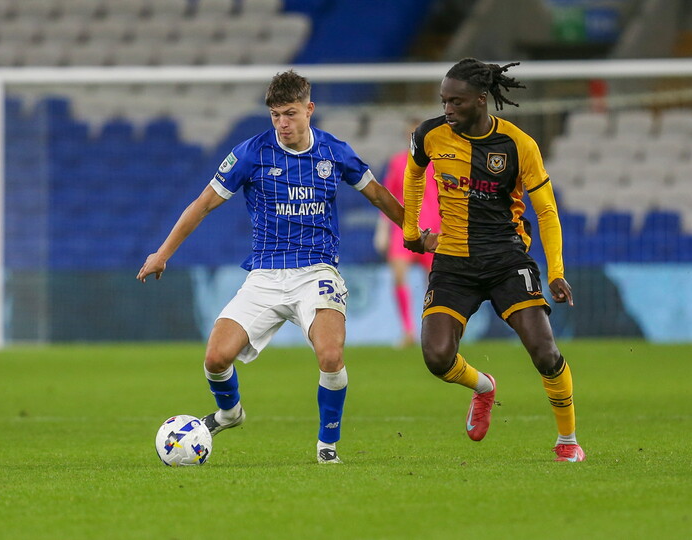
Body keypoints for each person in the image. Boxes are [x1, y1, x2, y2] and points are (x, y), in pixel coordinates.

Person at [137, 70, 406, 464]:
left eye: (290, 113)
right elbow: (203, 204)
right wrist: (162, 253)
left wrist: (413, 234)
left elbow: (380, 195)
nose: (282, 123)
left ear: (309, 109)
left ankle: (327, 445)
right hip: (265, 274)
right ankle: (230, 413)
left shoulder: (335, 152)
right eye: (275, 115)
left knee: (330, 356)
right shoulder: (251, 153)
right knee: (215, 358)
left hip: (317, 272)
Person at [402, 58, 585, 462]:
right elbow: (414, 176)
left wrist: (556, 271)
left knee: (544, 351)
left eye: (456, 102)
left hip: (505, 258)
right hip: (453, 261)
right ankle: (483, 387)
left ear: (481, 101)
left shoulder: (519, 145)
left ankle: (568, 441)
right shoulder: (429, 135)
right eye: (443, 101)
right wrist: (411, 232)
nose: (447, 109)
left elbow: (547, 211)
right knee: (435, 357)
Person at [373, 123, 441, 348]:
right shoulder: (398, 162)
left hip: (434, 229)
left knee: (435, 282)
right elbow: (387, 198)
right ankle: (408, 331)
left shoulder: (438, 163)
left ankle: (434, 330)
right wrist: (382, 230)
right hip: (403, 228)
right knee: (399, 276)